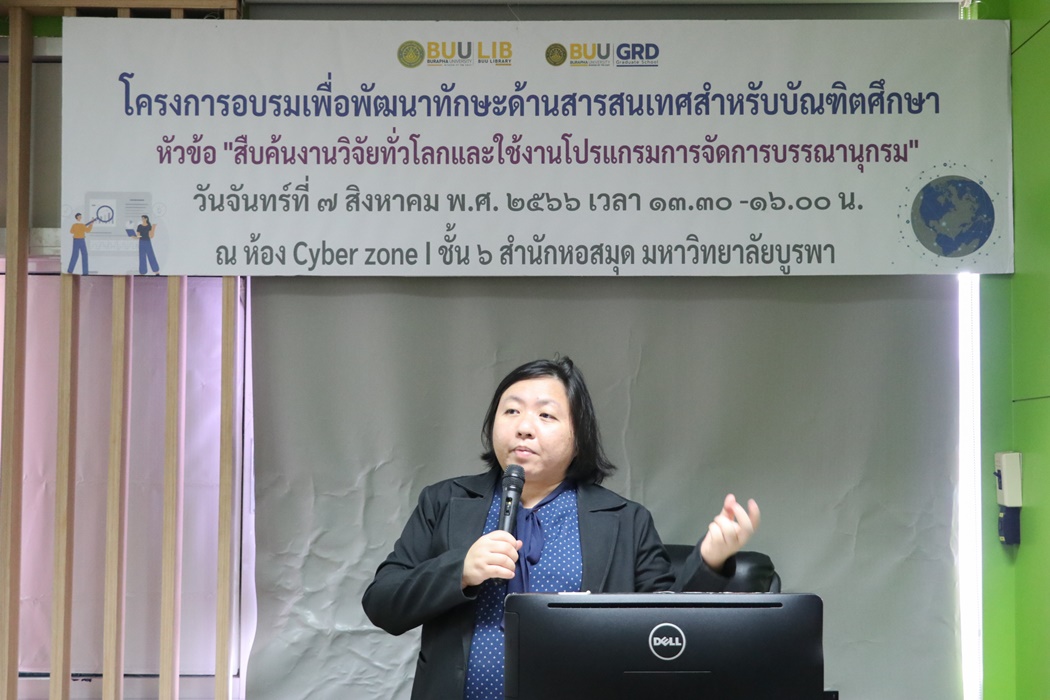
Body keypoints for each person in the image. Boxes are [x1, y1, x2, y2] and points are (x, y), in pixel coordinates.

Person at [362, 356, 761, 700]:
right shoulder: (445, 502)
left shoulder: (625, 520)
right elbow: (382, 603)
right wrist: (460, 570)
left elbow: (665, 632)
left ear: (578, 436)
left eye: (546, 415)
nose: (524, 427)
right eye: (511, 411)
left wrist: (710, 562)